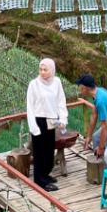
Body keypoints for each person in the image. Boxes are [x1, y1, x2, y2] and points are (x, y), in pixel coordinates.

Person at [26, 58, 68, 191]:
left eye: (45, 70)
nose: (42, 72)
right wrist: (34, 128)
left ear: (52, 70)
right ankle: (40, 182)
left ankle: (45, 174)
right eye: (40, 69)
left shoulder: (56, 82)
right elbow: (30, 107)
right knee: (40, 152)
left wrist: (63, 119)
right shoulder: (34, 84)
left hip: (51, 121)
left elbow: (61, 101)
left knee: (49, 150)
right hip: (39, 121)